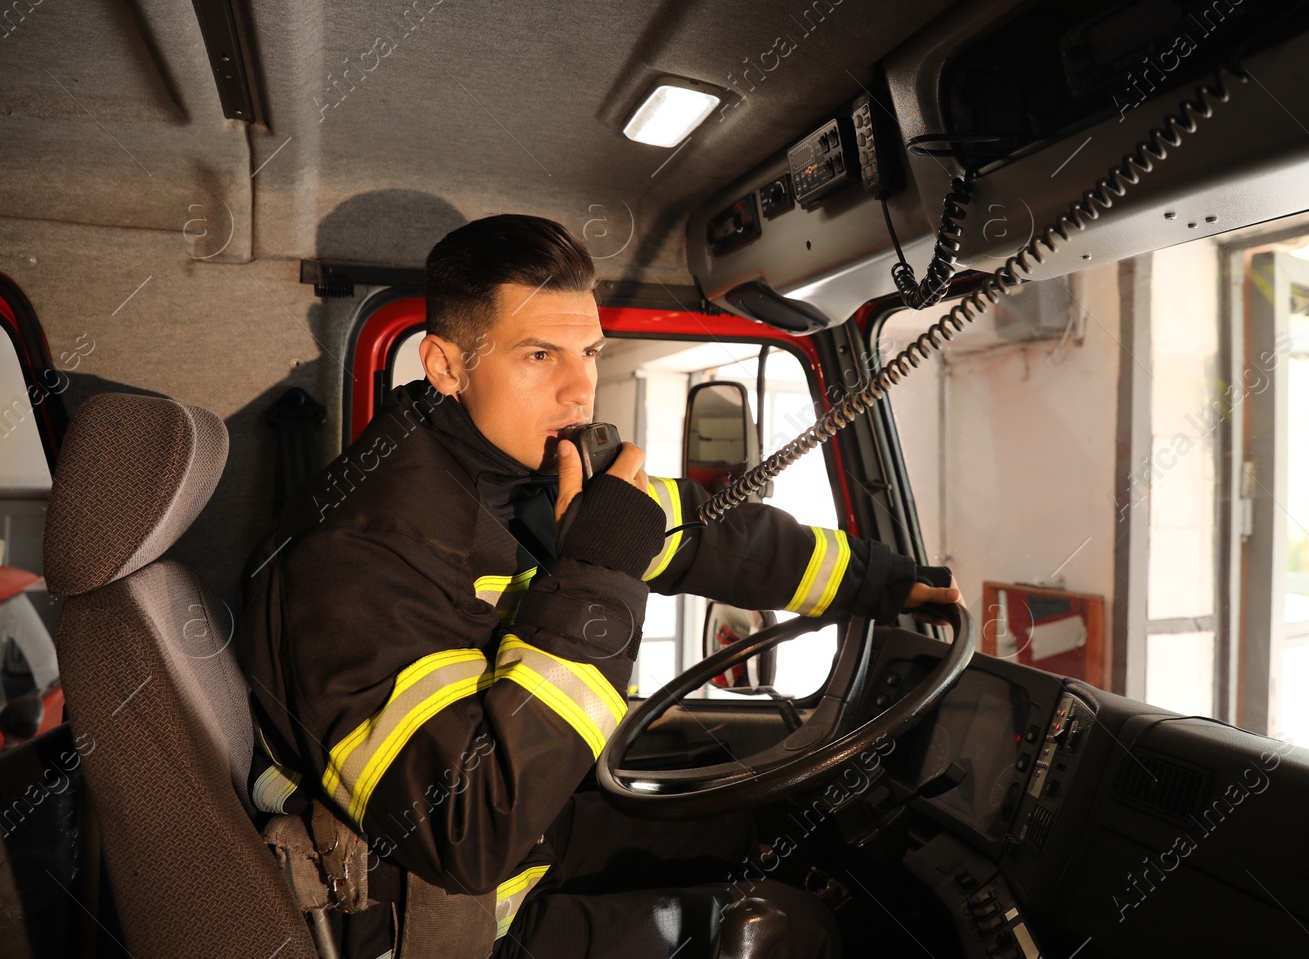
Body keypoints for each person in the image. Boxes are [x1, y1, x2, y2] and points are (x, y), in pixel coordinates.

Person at [238, 214, 961, 959]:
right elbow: (468, 828)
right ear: (446, 366)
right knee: (790, 934)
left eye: (589, 351)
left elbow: (706, 533)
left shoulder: (513, 469)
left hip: (521, 841)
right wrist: (602, 573)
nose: (580, 387)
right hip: (433, 919)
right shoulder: (357, 554)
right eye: (540, 354)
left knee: (762, 832)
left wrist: (885, 580)